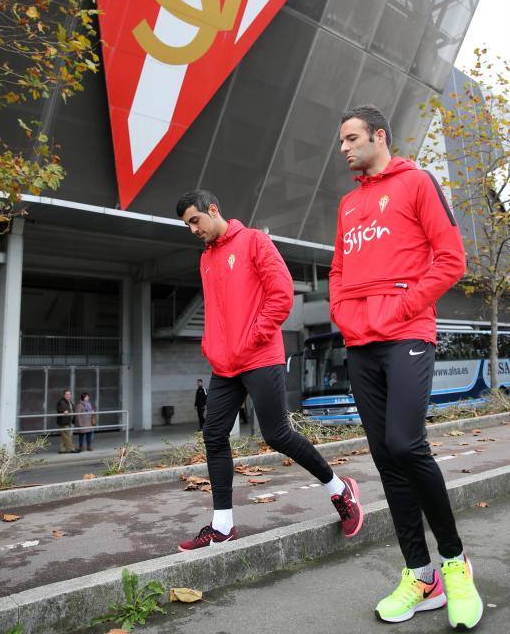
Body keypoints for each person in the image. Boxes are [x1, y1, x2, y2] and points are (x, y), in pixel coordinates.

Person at [329, 105, 482, 630]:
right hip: (360, 342)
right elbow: (339, 270)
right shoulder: (348, 204)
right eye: (341, 141)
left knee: (405, 444)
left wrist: (400, 308)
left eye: (352, 138)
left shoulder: (417, 183)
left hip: (407, 333)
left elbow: (450, 259)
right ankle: (421, 576)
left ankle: (456, 564)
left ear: (379, 136)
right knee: (385, 460)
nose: (344, 148)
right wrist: (344, 316)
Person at [176, 189, 363, 552]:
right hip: (224, 363)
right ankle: (223, 526)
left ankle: (341, 491)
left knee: (277, 434)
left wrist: (254, 336)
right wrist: (211, 345)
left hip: (260, 355)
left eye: (195, 220)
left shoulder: (254, 241)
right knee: (214, 436)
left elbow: (281, 293)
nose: (193, 229)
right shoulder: (206, 260)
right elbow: (216, 311)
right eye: (187, 225)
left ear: (213, 209)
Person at [56, 389, 76, 453]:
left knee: (64, 436)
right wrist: (63, 411)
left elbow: (72, 410)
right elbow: (59, 408)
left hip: (69, 421)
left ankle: (62, 449)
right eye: (66, 394)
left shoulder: (69, 402)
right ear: (64, 395)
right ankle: (71, 449)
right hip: (63, 422)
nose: (68, 395)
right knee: (68, 436)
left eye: (69, 394)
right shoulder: (61, 401)